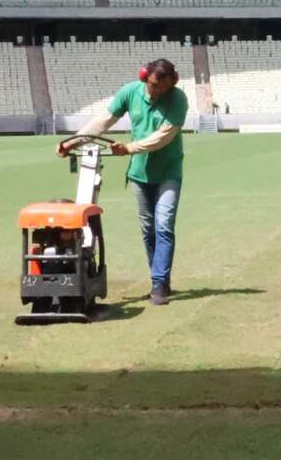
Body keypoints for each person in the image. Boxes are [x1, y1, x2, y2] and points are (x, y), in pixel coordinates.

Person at [63, 57, 189, 304]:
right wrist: (72, 142)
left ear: (172, 83)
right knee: (148, 229)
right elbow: (103, 121)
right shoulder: (130, 92)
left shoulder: (177, 99)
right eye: (154, 86)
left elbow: (163, 137)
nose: (157, 93)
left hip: (168, 172)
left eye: (163, 88)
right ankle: (158, 279)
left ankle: (160, 283)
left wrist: (130, 148)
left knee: (163, 225)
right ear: (145, 78)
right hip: (140, 173)